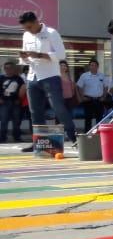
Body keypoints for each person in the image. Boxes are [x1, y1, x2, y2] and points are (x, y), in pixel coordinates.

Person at [18, 12, 77, 147]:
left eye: (29, 27)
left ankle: (74, 138)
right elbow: (26, 61)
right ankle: (40, 143)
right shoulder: (26, 35)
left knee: (58, 108)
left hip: (50, 76)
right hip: (32, 77)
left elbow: (61, 55)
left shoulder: (51, 33)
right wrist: (23, 56)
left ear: (37, 21)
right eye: (25, 28)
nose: (28, 30)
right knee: (35, 112)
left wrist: (39, 55)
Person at [76, 58, 111, 132]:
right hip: (88, 100)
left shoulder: (102, 75)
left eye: (95, 65)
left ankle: (99, 133)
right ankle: (87, 134)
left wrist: (104, 96)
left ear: (97, 67)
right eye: (91, 65)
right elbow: (79, 86)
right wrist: (82, 97)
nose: (93, 67)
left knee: (99, 118)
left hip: (99, 100)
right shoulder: (84, 76)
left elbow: (106, 87)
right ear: (89, 66)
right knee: (88, 118)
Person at [0, 60, 25, 143]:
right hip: (4, 102)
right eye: (6, 68)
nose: (8, 69)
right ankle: (2, 137)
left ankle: (17, 137)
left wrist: (19, 99)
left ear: (13, 69)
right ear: (4, 69)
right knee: (4, 120)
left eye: (10, 68)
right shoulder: (1, 78)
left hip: (16, 102)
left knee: (16, 121)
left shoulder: (18, 78)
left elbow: (22, 89)